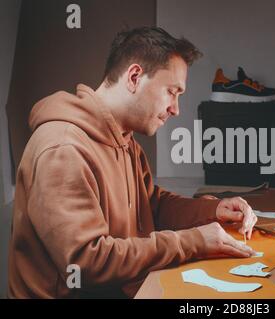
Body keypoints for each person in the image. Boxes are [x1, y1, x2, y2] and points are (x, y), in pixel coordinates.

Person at [8, 27, 257, 298]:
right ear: (135, 76)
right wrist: (195, 241)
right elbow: (86, 262)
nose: (176, 109)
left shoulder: (125, 141)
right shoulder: (63, 149)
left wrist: (213, 210)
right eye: (172, 92)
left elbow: (152, 207)